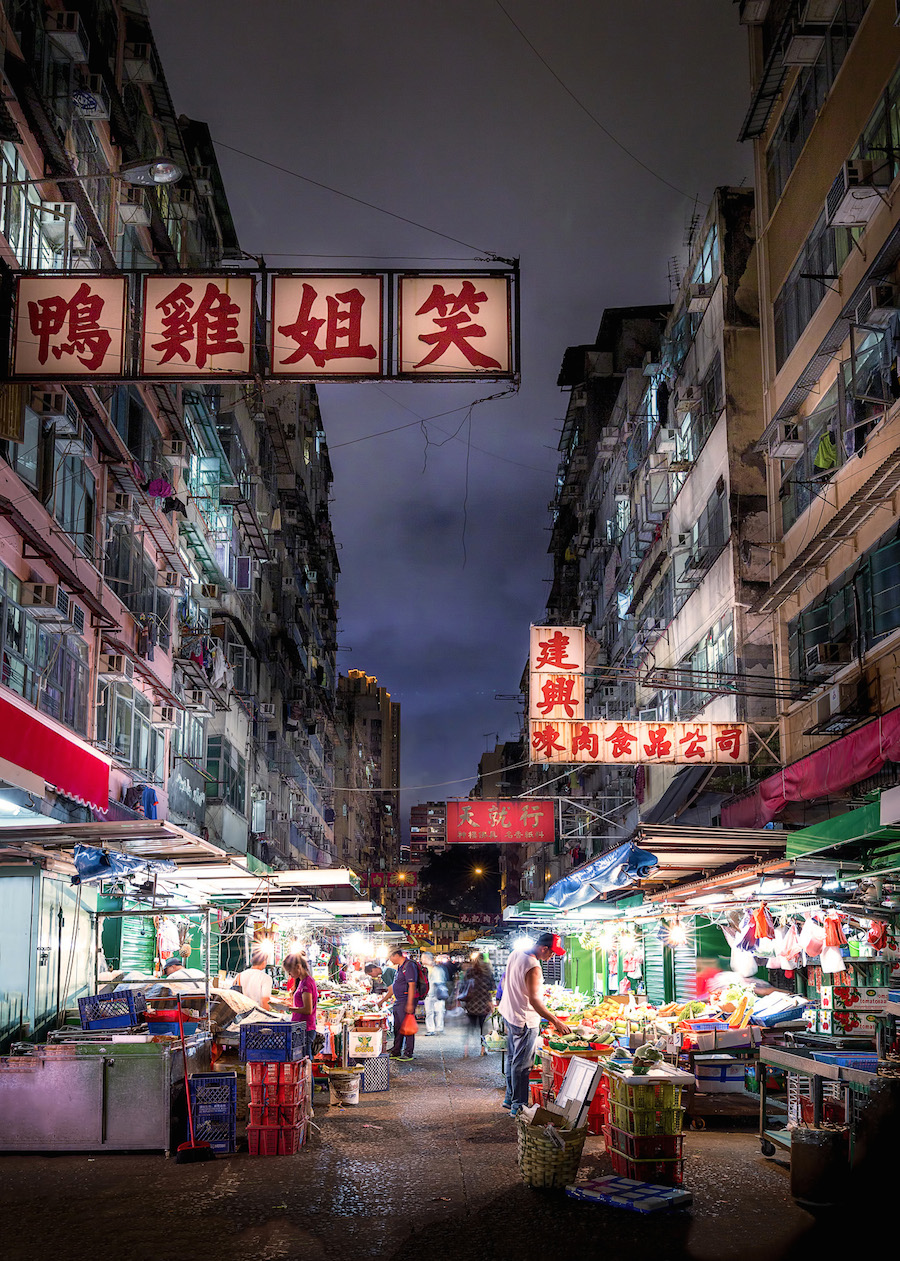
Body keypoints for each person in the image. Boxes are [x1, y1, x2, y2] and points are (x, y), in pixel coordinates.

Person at [498, 932, 571, 1117]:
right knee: (522, 1065)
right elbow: (535, 1002)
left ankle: (510, 1098)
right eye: (551, 953)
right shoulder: (534, 966)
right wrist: (556, 1021)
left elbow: (508, 981)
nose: (551, 957)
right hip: (524, 1020)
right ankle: (519, 1106)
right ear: (543, 948)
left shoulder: (516, 953)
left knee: (513, 1059)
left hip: (509, 1013)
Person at [386, 946, 420, 1061]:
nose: (390, 959)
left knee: (407, 1026)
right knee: (398, 1027)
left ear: (396, 955)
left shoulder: (409, 966)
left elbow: (412, 985)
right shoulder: (401, 967)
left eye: (390, 957)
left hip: (406, 1001)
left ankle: (408, 1052)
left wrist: (410, 1004)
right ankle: (396, 1050)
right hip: (399, 1001)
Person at [283, 952, 318, 1059]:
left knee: (305, 1063)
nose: (290, 975)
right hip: (301, 1028)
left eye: (290, 971)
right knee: (303, 1064)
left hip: (305, 1029)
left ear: (298, 967)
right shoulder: (303, 982)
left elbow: (308, 1010)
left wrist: (288, 1008)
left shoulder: (307, 983)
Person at [460, 953, 495, 1057]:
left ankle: (466, 1051)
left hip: (471, 1004)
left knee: (469, 1027)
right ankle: (482, 1051)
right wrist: (490, 1003)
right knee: (483, 1028)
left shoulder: (470, 971)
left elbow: (463, 987)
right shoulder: (488, 972)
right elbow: (492, 988)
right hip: (483, 1005)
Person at [422, 951, 448, 1034]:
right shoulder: (423, 969)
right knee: (429, 1012)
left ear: (429, 958)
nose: (423, 960)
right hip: (428, 994)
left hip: (438, 994)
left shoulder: (437, 968)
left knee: (439, 1011)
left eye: (424, 958)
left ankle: (439, 1028)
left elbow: (441, 981)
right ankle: (431, 1029)